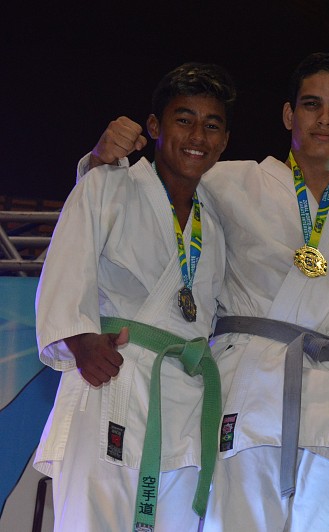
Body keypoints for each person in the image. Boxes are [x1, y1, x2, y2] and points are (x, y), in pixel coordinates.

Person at [83, 52, 329, 531]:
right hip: (248, 401)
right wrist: (99, 161)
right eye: (311, 104)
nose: (324, 118)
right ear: (289, 114)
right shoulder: (227, 180)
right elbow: (137, 206)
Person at [34, 62, 236, 531]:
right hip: (111, 379)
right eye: (184, 119)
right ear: (154, 127)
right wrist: (79, 340)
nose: (198, 136)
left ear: (225, 141)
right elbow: (67, 266)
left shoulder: (217, 221)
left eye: (212, 126)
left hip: (184, 402)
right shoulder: (108, 185)